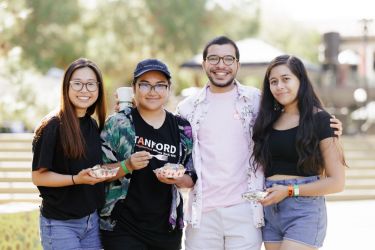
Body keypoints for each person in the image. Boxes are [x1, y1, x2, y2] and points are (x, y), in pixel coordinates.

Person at [176, 36, 343, 250]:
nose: (221, 65)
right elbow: (164, 131)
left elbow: (335, 177)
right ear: (204, 63)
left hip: (252, 208)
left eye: (228, 59)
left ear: (237, 64)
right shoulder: (187, 109)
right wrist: (136, 106)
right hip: (214, 212)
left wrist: (330, 127)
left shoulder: (255, 101)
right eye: (214, 58)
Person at [99, 58, 197, 250]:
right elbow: (99, 172)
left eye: (160, 85)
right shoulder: (119, 123)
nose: (153, 91)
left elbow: (191, 178)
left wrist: (176, 178)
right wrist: (127, 165)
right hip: (122, 228)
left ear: (169, 89)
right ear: (134, 88)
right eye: (145, 85)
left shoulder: (181, 127)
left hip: (167, 229)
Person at [252, 55, 346, 250]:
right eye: (273, 81)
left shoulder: (321, 120)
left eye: (286, 79)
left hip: (304, 210)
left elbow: (337, 182)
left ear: (301, 80)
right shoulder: (267, 121)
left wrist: (288, 190)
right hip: (270, 209)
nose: (279, 86)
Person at [32, 58, 108, 250]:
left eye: (91, 84)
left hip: (91, 221)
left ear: (98, 89)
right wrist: (76, 179)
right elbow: (38, 177)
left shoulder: (92, 124)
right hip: (60, 224)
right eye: (77, 83)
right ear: (66, 87)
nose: (84, 90)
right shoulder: (52, 126)